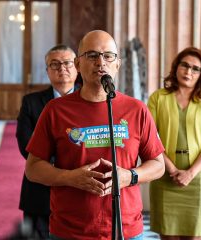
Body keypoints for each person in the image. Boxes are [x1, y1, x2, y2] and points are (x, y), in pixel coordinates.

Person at [25, 30, 165, 239]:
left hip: (125, 229)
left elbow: (158, 164)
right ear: (78, 65)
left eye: (108, 56)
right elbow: (33, 168)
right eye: (92, 55)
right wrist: (70, 177)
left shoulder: (137, 109)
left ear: (117, 64)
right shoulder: (55, 110)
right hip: (71, 230)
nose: (101, 62)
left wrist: (130, 176)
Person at [148, 47, 201, 240]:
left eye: (195, 69)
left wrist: (190, 173)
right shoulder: (158, 98)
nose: (189, 72)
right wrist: (172, 170)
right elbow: (150, 137)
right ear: (176, 67)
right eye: (185, 65)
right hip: (165, 176)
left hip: (198, 179)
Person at [16, 44, 78, 239]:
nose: (62, 69)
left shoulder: (92, 100)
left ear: (77, 66)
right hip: (40, 187)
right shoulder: (31, 102)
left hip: (80, 187)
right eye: (55, 64)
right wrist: (57, 169)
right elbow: (26, 143)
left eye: (67, 63)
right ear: (47, 71)